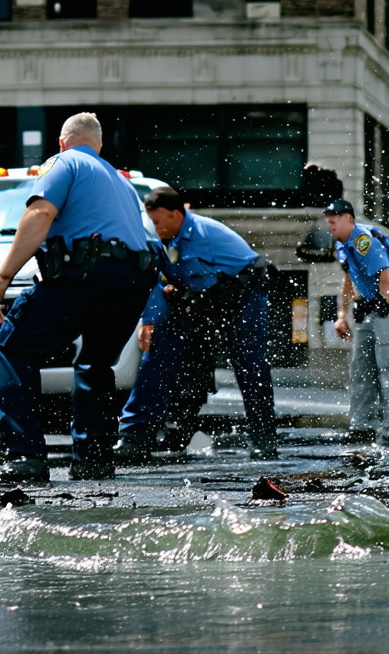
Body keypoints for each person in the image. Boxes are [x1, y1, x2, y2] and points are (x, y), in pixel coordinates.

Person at [0, 113, 156, 483]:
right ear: (99, 145)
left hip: (87, 273)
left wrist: (2, 279)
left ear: (62, 141)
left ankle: (26, 459)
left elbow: (41, 211)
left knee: (13, 348)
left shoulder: (63, 162)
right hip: (132, 281)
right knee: (95, 363)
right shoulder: (121, 182)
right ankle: (93, 461)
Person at [115, 186, 278, 462]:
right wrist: (149, 322)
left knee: (250, 365)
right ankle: (136, 436)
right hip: (198, 300)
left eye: (157, 221)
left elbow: (240, 277)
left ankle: (264, 438)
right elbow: (155, 278)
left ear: (176, 215)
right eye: (151, 221)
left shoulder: (205, 233)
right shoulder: (160, 239)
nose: (154, 227)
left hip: (242, 299)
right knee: (159, 354)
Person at [323, 199, 389, 447]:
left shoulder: (363, 240)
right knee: (361, 371)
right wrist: (342, 314)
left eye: (336, 216)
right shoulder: (342, 245)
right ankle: (362, 427)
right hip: (368, 310)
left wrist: (385, 303)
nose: (330, 221)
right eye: (329, 217)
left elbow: (385, 274)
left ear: (349, 218)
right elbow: (349, 279)